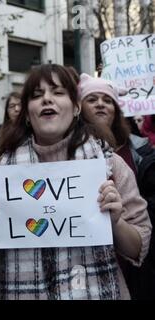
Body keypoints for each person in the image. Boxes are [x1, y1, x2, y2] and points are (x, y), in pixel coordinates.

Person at [0, 64, 151, 300]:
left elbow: (138, 248)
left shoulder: (109, 166)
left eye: (57, 92)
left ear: (76, 108)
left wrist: (116, 222)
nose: (47, 99)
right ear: (26, 113)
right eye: (37, 95)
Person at [79, 73, 155, 299]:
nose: (101, 104)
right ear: (78, 108)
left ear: (116, 109)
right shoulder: (68, 152)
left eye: (107, 99)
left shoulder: (140, 149)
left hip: (136, 262)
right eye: (92, 99)